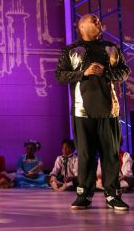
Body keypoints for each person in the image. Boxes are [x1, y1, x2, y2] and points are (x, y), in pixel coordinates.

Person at [55, 14, 131, 210]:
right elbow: (60, 76)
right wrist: (83, 73)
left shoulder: (111, 48)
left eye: (98, 19)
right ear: (81, 26)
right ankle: (84, 194)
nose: (98, 21)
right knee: (86, 155)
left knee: (111, 154)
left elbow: (124, 72)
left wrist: (104, 72)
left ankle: (113, 195)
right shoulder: (71, 50)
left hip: (109, 110)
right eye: (93, 19)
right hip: (82, 110)